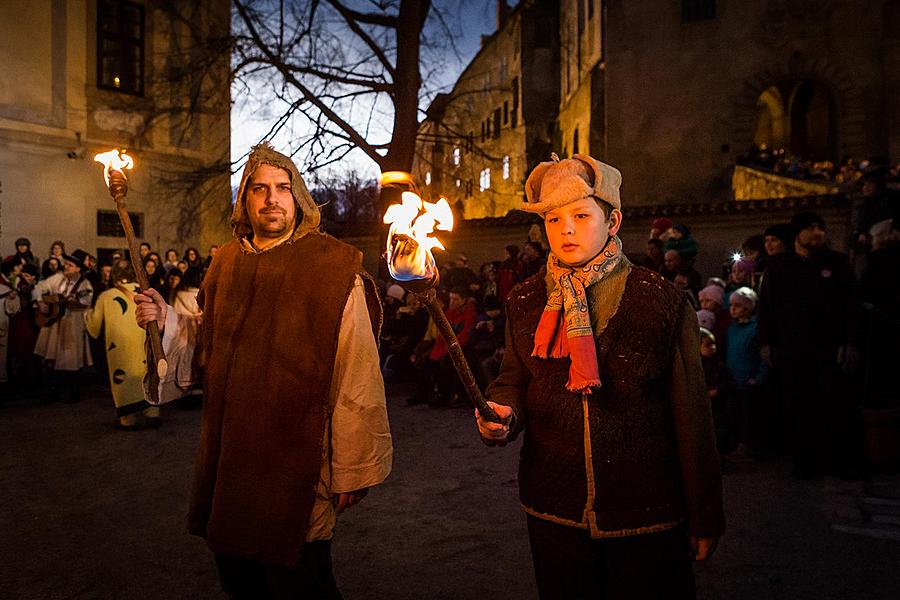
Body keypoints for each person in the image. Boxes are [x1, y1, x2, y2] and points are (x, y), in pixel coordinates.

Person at [133, 142, 392, 598]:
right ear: (245, 200)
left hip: (299, 459)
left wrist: (352, 467)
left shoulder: (333, 267)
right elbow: (209, 340)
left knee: (301, 582)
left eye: (283, 188)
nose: (272, 199)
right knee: (240, 579)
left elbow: (357, 369)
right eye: (259, 189)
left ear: (299, 199)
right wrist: (165, 320)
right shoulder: (225, 263)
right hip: (232, 455)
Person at [475, 154, 724, 599]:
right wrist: (503, 413)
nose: (566, 228)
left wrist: (704, 514)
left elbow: (692, 414)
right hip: (554, 507)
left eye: (581, 215)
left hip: (646, 509)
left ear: (613, 221)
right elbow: (514, 378)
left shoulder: (661, 301)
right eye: (553, 218)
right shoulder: (527, 298)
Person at [757, 211, 861, 478]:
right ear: (798, 233)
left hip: (828, 347)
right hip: (793, 349)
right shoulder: (779, 266)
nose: (818, 233)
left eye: (820, 228)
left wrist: (849, 341)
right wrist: (767, 342)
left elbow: (850, 305)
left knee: (832, 403)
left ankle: (836, 461)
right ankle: (805, 461)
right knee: (798, 405)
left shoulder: (836, 263)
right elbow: (766, 307)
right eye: (811, 228)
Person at [85, 259, 160, 430]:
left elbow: (94, 327)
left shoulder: (106, 295)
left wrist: (87, 314)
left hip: (119, 348)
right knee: (147, 375)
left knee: (123, 379)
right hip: (143, 343)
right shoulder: (146, 294)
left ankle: (128, 418)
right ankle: (152, 413)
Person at [32, 251, 93, 403]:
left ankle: (74, 393)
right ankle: (53, 392)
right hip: (55, 324)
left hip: (73, 324)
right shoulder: (58, 278)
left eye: (70, 265)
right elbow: (39, 287)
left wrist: (71, 302)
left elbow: (85, 301)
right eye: (66, 264)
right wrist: (40, 301)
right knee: (53, 359)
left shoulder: (85, 285)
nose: (66, 267)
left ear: (78, 269)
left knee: (72, 358)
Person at [723, 287, 768, 462]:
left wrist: (758, 378)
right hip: (733, 379)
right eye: (731, 305)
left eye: (738, 305)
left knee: (748, 417)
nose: (732, 309)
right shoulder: (732, 329)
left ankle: (747, 447)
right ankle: (736, 445)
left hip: (749, 381)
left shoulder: (755, 329)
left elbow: (762, 357)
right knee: (734, 414)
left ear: (748, 307)